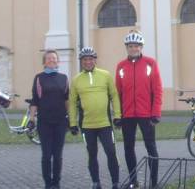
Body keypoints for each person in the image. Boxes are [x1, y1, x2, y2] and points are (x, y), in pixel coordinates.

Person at [115, 31, 163, 189]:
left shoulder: (150, 63)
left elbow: (157, 90)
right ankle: (133, 181)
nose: (133, 48)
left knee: (151, 147)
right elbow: (117, 92)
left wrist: (156, 113)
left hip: (146, 114)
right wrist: (118, 115)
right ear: (127, 48)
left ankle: (154, 182)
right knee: (128, 148)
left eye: (136, 46)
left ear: (141, 47)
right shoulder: (121, 66)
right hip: (127, 114)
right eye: (130, 46)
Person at [69, 47, 121, 189]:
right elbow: (72, 102)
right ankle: (96, 182)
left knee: (111, 152)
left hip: (105, 124)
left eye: (90, 59)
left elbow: (114, 96)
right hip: (87, 126)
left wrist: (117, 115)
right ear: (81, 61)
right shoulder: (76, 80)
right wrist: (72, 123)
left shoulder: (105, 75)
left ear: (95, 60)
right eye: (85, 59)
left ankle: (115, 182)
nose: (88, 62)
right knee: (92, 154)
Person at [28, 49, 69, 189]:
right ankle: (47, 183)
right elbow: (35, 100)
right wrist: (31, 119)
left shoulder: (64, 78)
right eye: (49, 58)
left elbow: (66, 99)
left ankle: (56, 183)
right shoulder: (39, 78)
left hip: (60, 122)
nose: (52, 60)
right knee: (46, 155)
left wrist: (71, 118)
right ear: (44, 62)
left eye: (54, 58)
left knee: (57, 155)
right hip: (44, 122)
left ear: (58, 61)